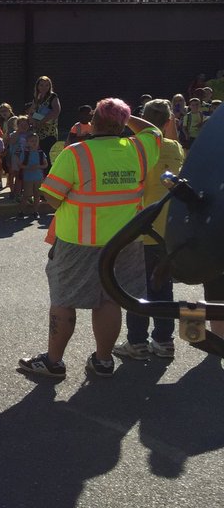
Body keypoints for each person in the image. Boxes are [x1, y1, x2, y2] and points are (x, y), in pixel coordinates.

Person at [18, 99, 162, 379]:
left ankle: (54, 362)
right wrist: (124, 117)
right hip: (124, 240)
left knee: (63, 299)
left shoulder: (76, 154)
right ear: (123, 123)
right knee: (111, 300)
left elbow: (52, 197)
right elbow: (154, 130)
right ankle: (103, 360)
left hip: (78, 240)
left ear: (93, 122)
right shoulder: (139, 150)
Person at [111, 99, 185, 361]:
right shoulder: (175, 148)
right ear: (167, 122)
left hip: (138, 228)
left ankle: (137, 342)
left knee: (136, 289)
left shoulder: (133, 148)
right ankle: (164, 341)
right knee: (163, 287)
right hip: (167, 230)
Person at [29, 75, 62, 158]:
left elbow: (56, 111)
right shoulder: (37, 98)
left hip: (49, 132)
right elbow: (32, 112)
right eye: (41, 85)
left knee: (44, 154)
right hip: (37, 131)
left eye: (47, 85)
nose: (44, 87)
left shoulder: (53, 97)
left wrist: (41, 120)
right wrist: (33, 119)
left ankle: (48, 170)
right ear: (37, 86)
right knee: (38, 153)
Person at [18, 134, 49, 216]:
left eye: (36, 141)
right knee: (26, 195)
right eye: (32, 141)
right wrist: (28, 167)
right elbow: (20, 165)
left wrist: (39, 166)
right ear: (27, 142)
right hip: (28, 178)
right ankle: (21, 211)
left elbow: (45, 164)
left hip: (39, 178)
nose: (34, 143)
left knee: (37, 195)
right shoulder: (25, 153)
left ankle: (35, 211)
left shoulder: (41, 153)